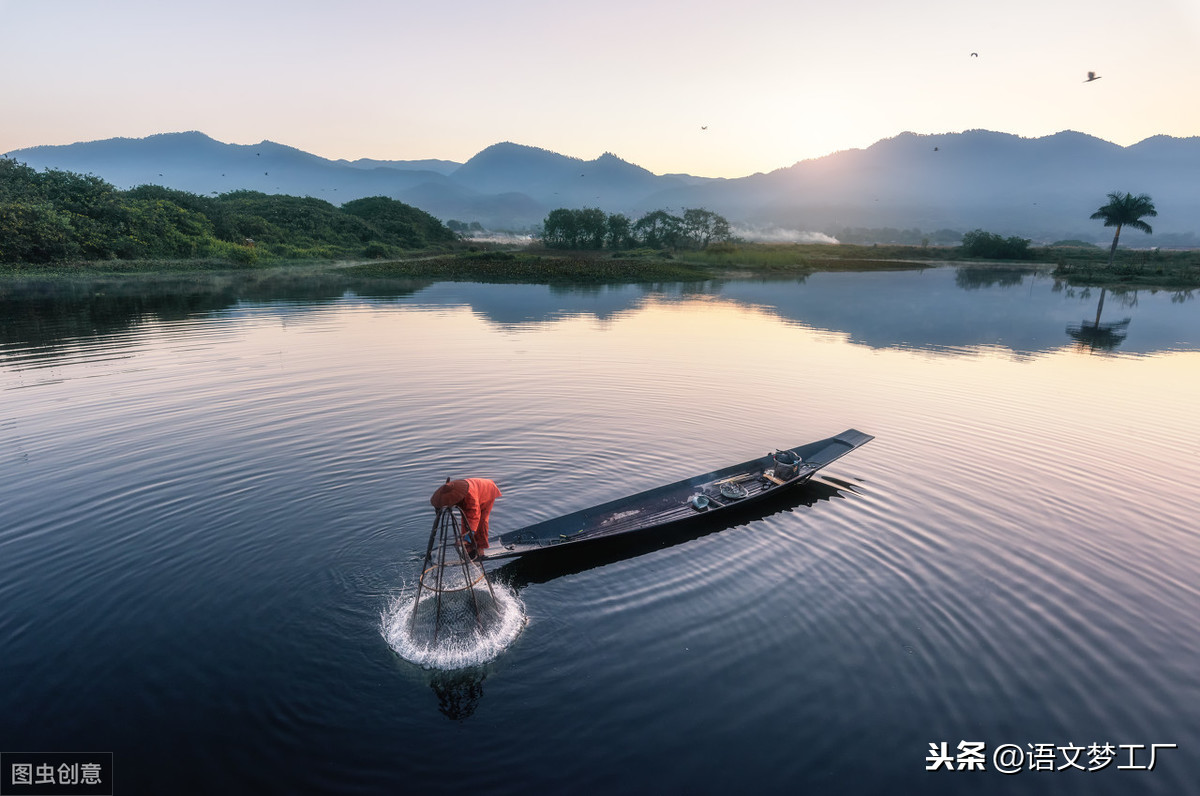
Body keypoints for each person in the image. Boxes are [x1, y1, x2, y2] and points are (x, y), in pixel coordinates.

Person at [429, 477, 503, 557]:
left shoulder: (471, 498)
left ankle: (480, 548)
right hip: (475, 489)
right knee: (465, 521)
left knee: (481, 522)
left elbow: (474, 518)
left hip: (487, 491)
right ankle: (469, 545)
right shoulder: (452, 491)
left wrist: (466, 538)